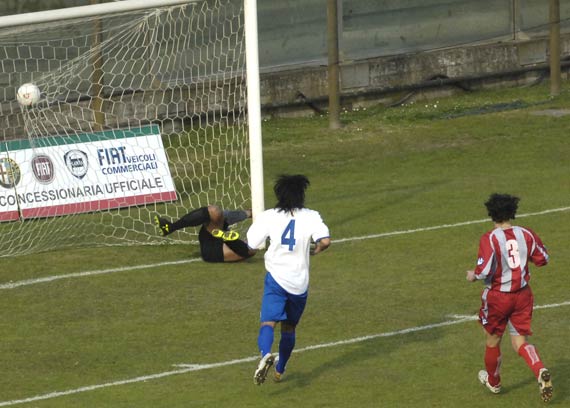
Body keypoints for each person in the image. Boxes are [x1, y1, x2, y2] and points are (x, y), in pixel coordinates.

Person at [466, 193, 552, 402]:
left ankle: (494, 383)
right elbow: (543, 259)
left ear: (491, 214)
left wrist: (473, 275)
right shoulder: (526, 234)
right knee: (520, 341)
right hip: (522, 295)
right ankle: (539, 369)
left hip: (498, 297)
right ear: (512, 212)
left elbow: (485, 269)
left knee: (493, 340)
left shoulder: (490, 238)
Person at [246, 174, 331, 385]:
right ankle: (280, 369)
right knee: (289, 328)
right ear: (301, 195)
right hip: (299, 283)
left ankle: (266, 354)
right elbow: (326, 241)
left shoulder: (269, 216)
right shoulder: (311, 216)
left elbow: (251, 244)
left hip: (276, 278)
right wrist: (317, 249)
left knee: (268, 322)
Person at [154, 205, 256, 262]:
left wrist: (247, 214)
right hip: (214, 242)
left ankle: (227, 238)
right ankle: (170, 227)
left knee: (251, 250)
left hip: (216, 252)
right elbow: (227, 215)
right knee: (215, 211)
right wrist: (247, 214)